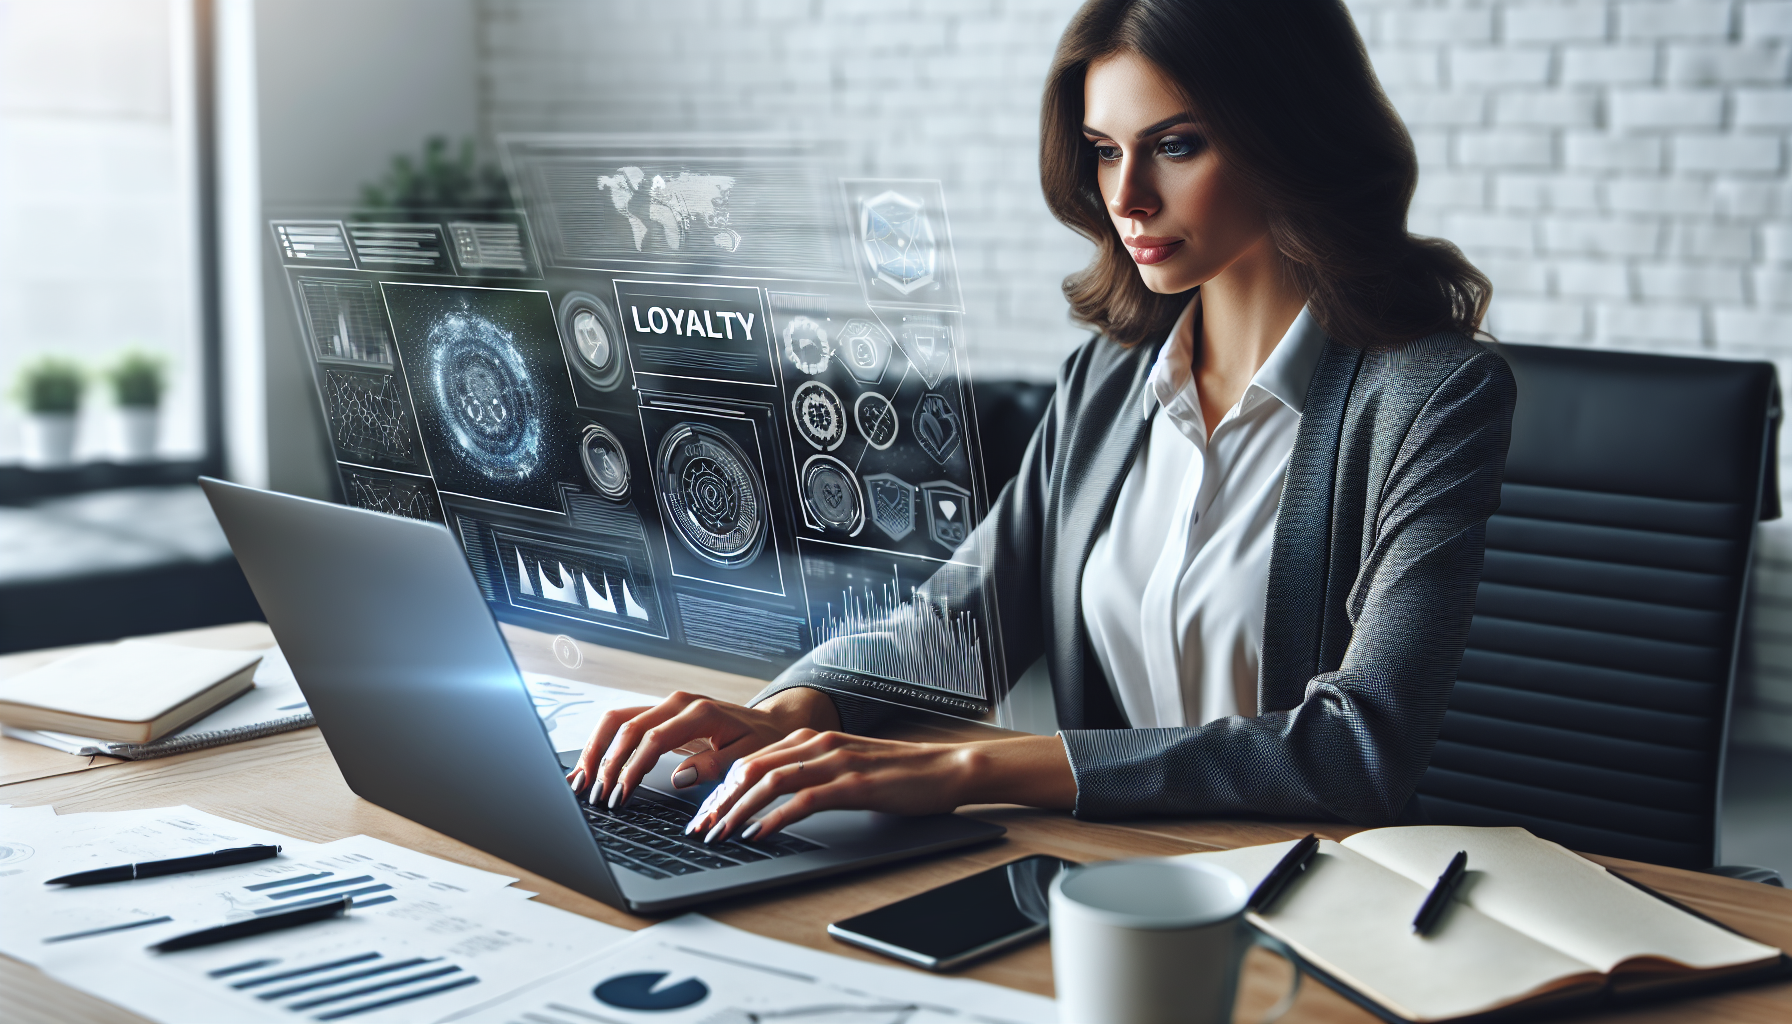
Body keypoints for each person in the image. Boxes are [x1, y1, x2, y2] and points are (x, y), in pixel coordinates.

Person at [565, 0, 1514, 844]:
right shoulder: (1109, 376)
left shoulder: (1431, 394)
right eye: (1106, 149)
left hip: (1317, 898)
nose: (1127, 196)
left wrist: (972, 769)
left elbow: (1356, 749)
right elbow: (962, 621)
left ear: (1290, 135)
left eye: (1176, 145)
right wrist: (788, 710)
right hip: (1123, 870)